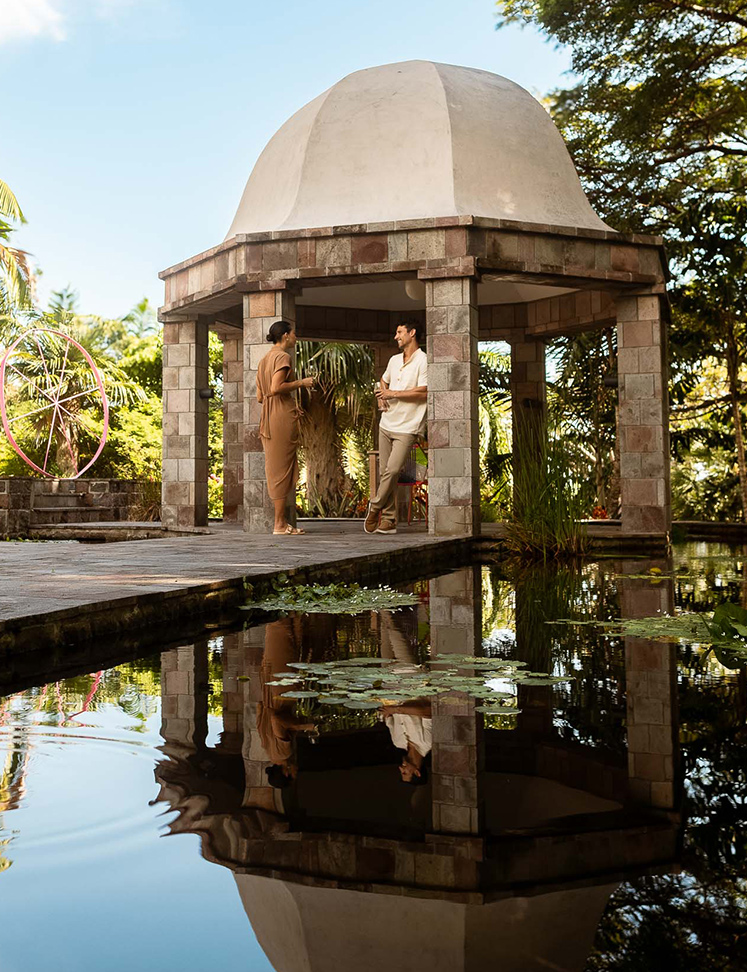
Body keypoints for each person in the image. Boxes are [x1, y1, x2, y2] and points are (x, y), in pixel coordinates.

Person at [364, 319, 427, 535]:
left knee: (393, 470)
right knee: (384, 472)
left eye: (399, 332)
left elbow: (425, 391)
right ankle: (389, 520)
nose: (396, 336)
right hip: (387, 423)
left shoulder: (423, 361)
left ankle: (375, 507)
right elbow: (384, 381)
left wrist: (394, 394)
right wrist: (383, 397)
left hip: (408, 427)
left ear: (412, 333)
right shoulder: (393, 360)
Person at [257, 320, 315, 535]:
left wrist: (287, 407)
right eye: (294, 334)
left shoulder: (264, 360)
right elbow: (276, 387)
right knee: (280, 470)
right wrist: (302, 383)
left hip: (271, 415)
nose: (295, 338)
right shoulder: (282, 357)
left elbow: (260, 397)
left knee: (280, 468)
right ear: (285, 336)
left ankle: (281, 523)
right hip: (280, 417)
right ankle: (279, 524)